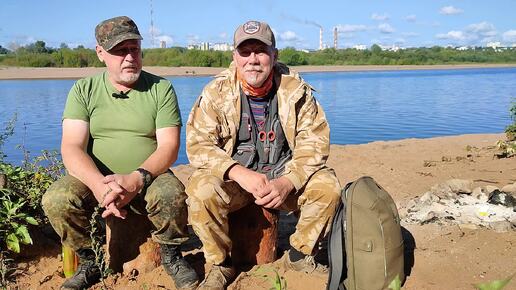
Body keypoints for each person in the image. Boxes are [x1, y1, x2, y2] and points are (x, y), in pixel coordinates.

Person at [42, 16, 199, 290]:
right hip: (95, 180)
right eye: (119, 50)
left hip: (147, 176)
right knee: (56, 199)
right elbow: (71, 147)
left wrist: (136, 179)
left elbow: (169, 147)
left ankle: (171, 256)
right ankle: (91, 261)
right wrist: (99, 185)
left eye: (134, 49)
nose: (129, 57)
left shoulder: (161, 89)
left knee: (171, 193)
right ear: (101, 53)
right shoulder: (84, 90)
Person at [185, 20, 341, 289]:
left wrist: (288, 181)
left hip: (282, 179)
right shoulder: (216, 92)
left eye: (261, 51)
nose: (253, 60)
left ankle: (299, 255)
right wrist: (238, 173)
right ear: (235, 57)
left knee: (328, 187)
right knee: (200, 191)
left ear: (274, 55)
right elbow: (198, 145)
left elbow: (314, 144)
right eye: (245, 52)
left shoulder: (296, 91)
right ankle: (221, 265)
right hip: (236, 182)